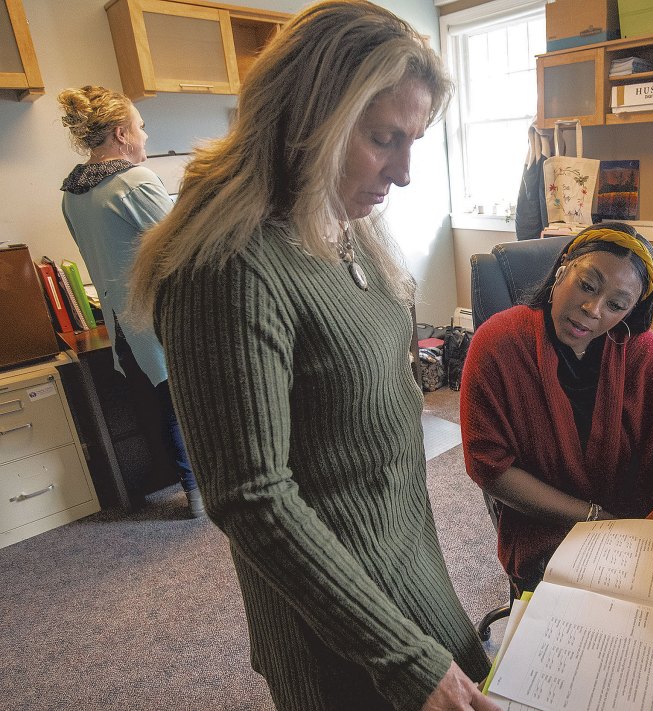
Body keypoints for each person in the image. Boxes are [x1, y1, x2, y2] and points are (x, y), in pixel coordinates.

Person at [127, 3, 497, 710]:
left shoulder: (339, 214)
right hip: (338, 623)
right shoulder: (228, 266)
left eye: (413, 139)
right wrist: (405, 659)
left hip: (408, 570)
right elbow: (253, 496)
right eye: (385, 136)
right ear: (307, 116)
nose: (405, 170)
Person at [460, 223, 653, 628]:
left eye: (617, 304)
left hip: (642, 529)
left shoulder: (639, 350)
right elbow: (491, 468)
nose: (594, 310)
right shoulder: (498, 344)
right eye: (588, 286)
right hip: (549, 531)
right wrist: (595, 518)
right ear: (563, 268)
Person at [58, 85, 204, 519]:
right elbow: (184, 246)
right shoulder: (133, 180)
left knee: (167, 404)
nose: (145, 136)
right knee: (190, 402)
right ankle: (209, 488)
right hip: (163, 315)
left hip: (125, 324)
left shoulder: (73, 192)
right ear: (121, 134)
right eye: (141, 127)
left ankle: (193, 488)